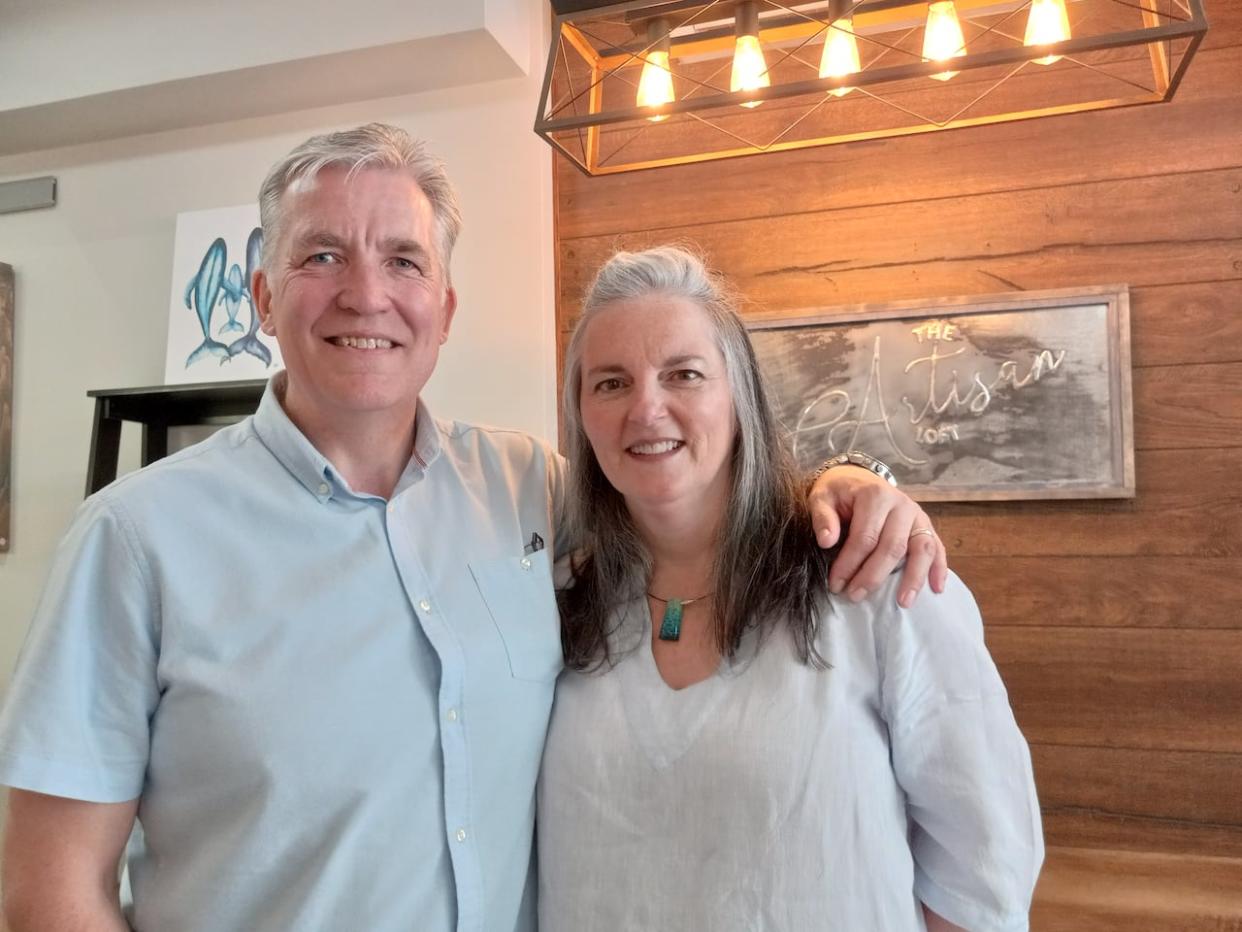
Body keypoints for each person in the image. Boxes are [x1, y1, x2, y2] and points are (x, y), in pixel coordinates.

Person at [0, 126, 944, 932]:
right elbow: (49, 891)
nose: (366, 294)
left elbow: (679, 492)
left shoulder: (527, 483)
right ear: (260, 299)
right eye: (321, 255)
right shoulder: (134, 539)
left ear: (443, 309)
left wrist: (844, 484)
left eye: (403, 260)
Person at [538, 246, 1044, 931]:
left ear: (739, 397)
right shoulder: (552, 600)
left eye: (683, 374)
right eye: (610, 383)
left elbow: (985, 874)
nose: (646, 408)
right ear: (580, 417)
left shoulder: (873, 577)